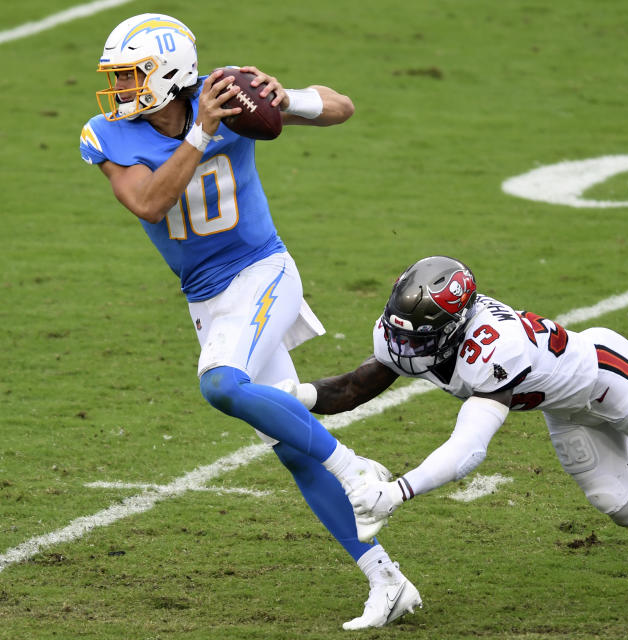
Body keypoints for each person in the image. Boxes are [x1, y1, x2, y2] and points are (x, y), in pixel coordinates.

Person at [77, 14, 421, 629]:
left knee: (220, 383)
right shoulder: (109, 134)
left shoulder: (229, 95)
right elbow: (150, 204)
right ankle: (386, 580)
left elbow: (342, 107)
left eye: (133, 75)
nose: (123, 89)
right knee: (292, 449)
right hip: (206, 299)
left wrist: (287, 99)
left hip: (264, 273)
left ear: (172, 74)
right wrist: (201, 135)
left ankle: (354, 467)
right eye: (119, 77)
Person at [280, 255, 628, 592]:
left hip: (605, 378)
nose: (403, 344)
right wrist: (291, 397)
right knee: (627, 509)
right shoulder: (409, 332)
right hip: (563, 405)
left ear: (453, 328)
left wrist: (399, 491)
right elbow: (354, 388)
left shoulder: (491, 350)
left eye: (419, 334)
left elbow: (470, 447)